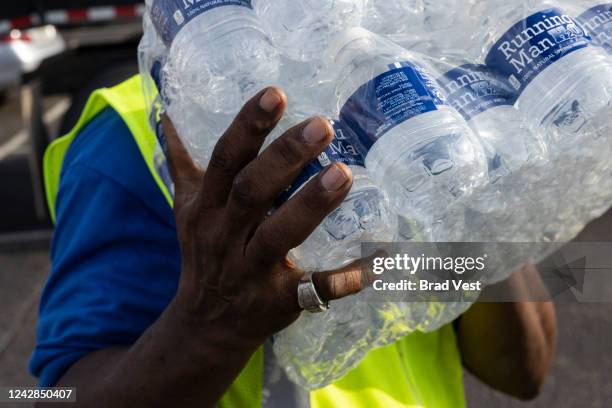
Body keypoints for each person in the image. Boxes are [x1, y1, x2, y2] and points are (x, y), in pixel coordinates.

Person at [31, 75, 556, 407]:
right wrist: (211, 326)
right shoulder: (137, 139)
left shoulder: (412, 94)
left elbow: (523, 371)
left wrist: (470, 211)